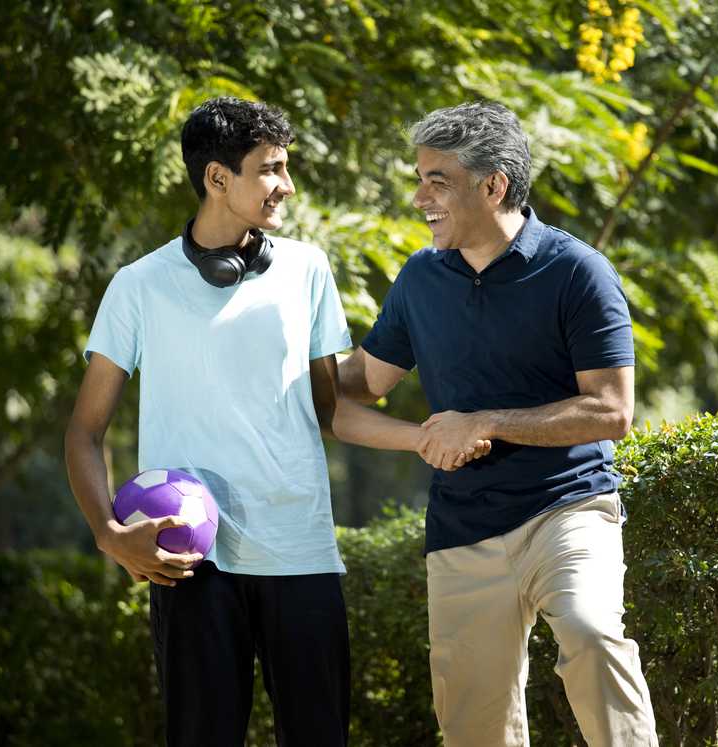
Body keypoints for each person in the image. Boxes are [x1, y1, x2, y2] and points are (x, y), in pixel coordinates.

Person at [63, 96, 485, 747]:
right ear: (216, 178)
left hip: (301, 550)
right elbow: (84, 430)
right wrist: (109, 533)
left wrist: (425, 433)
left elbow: (329, 408)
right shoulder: (137, 286)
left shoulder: (307, 268)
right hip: (190, 562)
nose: (286, 185)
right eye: (271, 169)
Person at [339, 101, 659, 747]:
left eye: (438, 181)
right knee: (473, 726)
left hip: (567, 508)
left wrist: (485, 421)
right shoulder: (421, 278)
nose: (419, 196)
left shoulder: (577, 271)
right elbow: (357, 386)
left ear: (494, 185)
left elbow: (611, 411)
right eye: (420, 177)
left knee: (593, 632)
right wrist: (269, 357)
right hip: (462, 527)